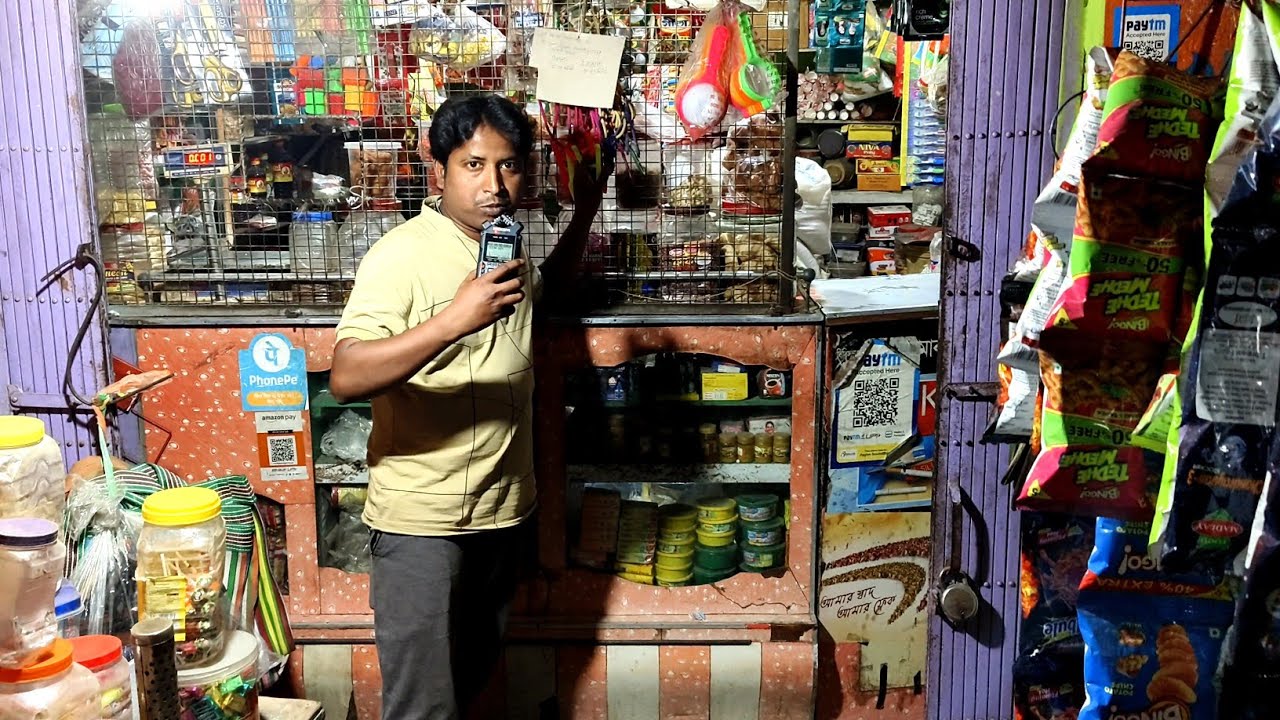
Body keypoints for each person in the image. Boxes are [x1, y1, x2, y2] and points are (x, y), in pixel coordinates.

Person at [328, 94, 606, 720]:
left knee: (472, 679)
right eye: (473, 165)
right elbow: (347, 374)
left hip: (501, 513)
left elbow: (544, 295)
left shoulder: (501, 246)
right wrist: (453, 320)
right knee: (423, 707)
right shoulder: (402, 254)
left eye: (508, 167)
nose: (494, 185)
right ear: (439, 171)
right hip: (424, 525)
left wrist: (585, 208)